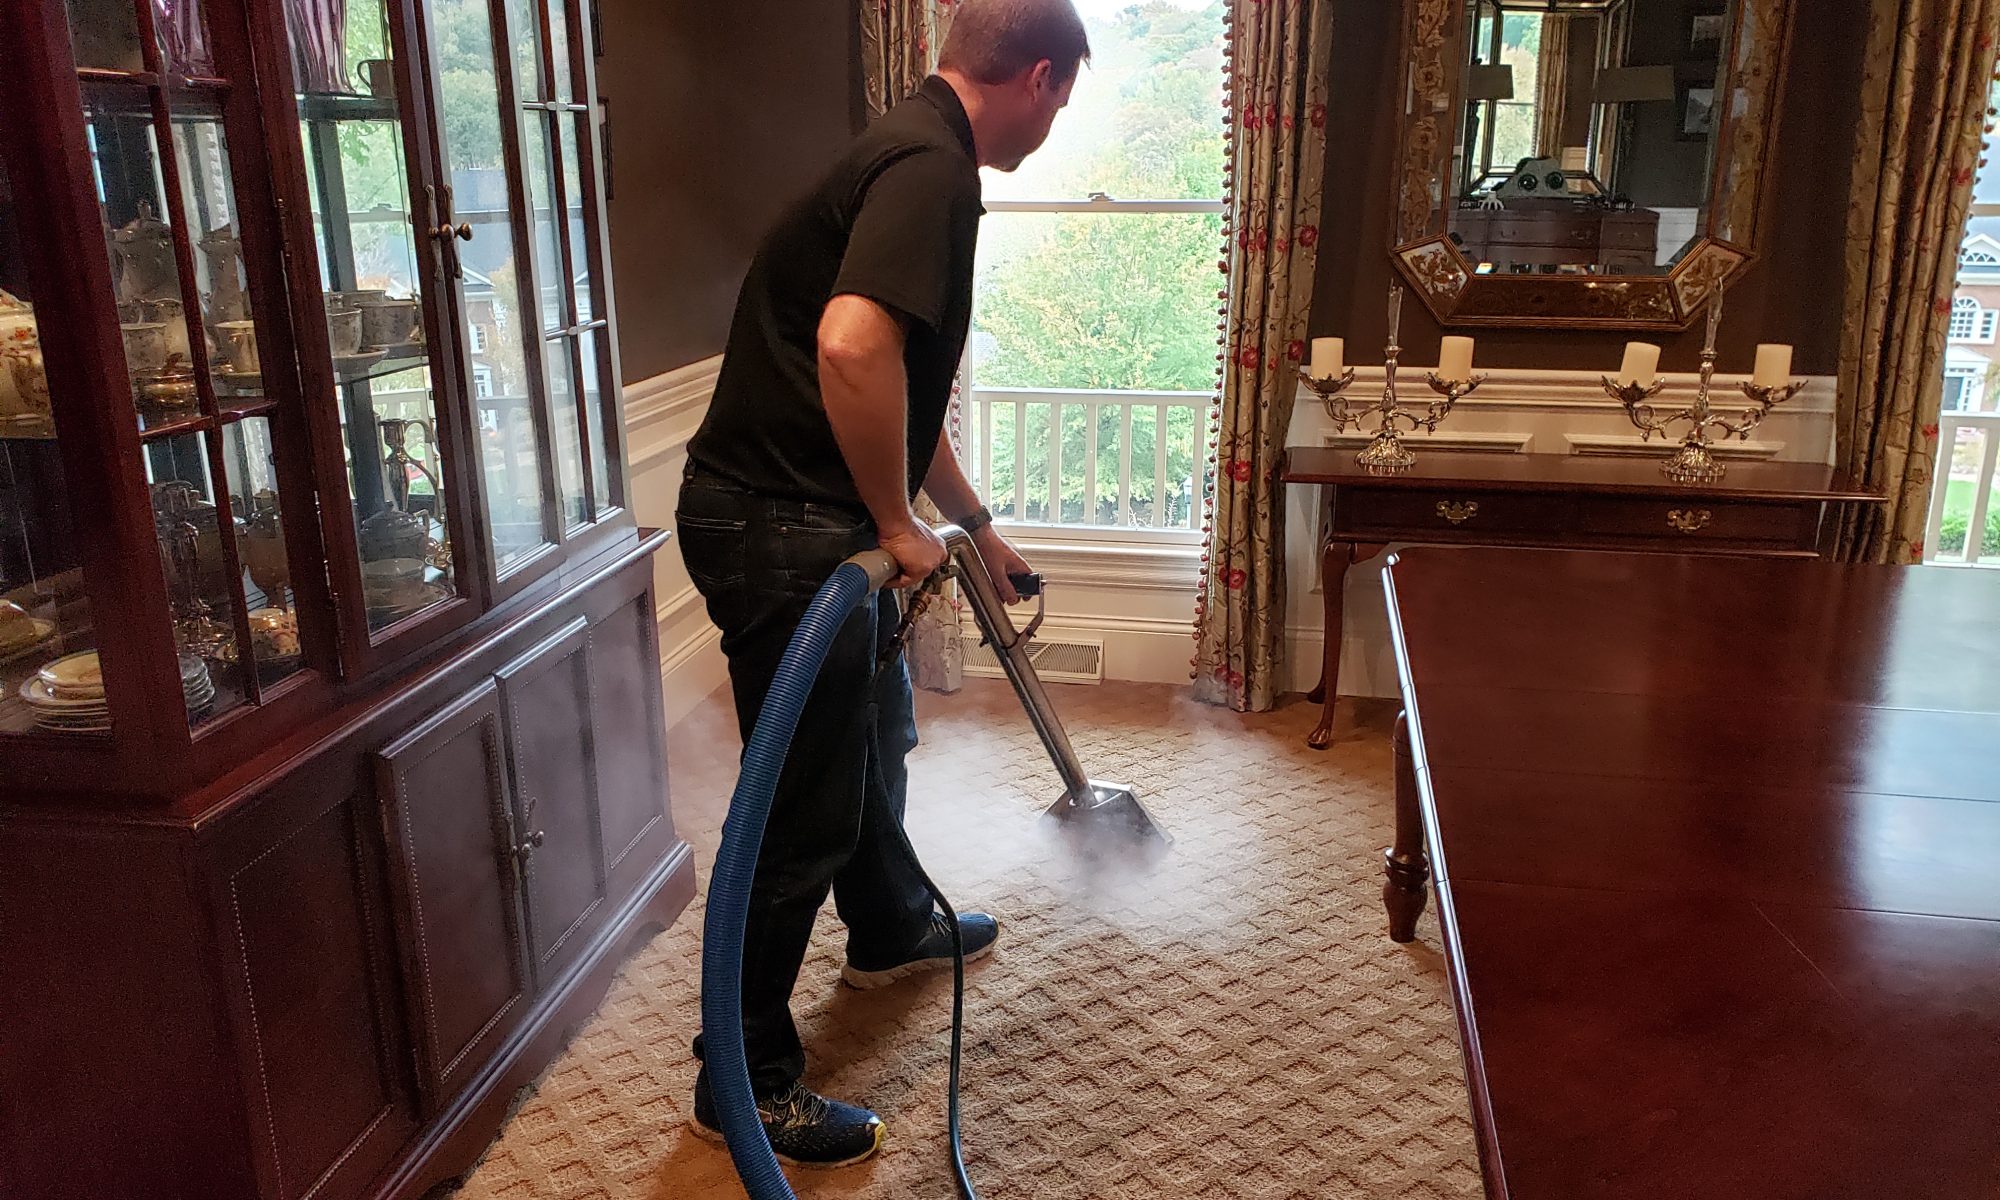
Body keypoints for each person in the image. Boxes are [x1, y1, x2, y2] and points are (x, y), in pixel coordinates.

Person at [675, 0, 1089, 1170]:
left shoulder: (908, 146)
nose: (1055, 124)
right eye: (1064, 104)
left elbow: (895, 382)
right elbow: (854, 347)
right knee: (796, 808)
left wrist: (971, 526)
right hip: (778, 526)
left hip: (805, 515)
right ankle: (740, 1083)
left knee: (881, 731)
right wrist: (897, 525)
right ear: (1041, 79)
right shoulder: (931, 168)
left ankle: (891, 923)